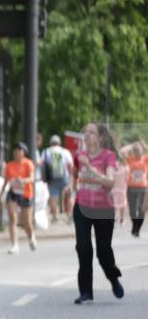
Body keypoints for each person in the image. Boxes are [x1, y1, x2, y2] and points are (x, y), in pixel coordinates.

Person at [72, 122, 124, 304]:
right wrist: (70, 187)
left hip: (103, 210)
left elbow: (110, 182)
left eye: (92, 132)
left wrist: (90, 168)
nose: (87, 134)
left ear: (100, 138)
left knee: (103, 252)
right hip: (82, 207)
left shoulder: (108, 156)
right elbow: (74, 174)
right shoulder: (79, 156)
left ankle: (113, 278)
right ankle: (86, 292)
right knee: (83, 248)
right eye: (85, 131)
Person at [0, 142, 37, 254]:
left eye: (19, 150)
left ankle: (31, 237)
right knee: (13, 218)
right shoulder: (9, 165)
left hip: (26, 194)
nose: (17, 152)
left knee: (26, 222)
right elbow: (6, 182)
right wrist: (0, 195)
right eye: (15, 150)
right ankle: (15, 245)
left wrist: (23, 180)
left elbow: (32, 178)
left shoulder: (28, 163)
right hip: (13, 193)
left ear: (24, 152)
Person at [43, 134, 74, 223]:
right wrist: (71, 178)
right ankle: (69, 216)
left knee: (53, 197)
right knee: (69, 195)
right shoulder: (65, 151)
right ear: (59, 143)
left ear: (50, 143)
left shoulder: (46, 151)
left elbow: (42, 164)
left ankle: (54, 217)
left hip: (52, 178)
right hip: (64, 177)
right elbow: (70, 165)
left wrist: (43, 178)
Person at [120, 140, 147, 237]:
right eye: (135, 150)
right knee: (132, 210)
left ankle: (137, 229)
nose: (137, 151)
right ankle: (135, 226)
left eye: (138, 149)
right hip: (131, 187)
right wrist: (132, 145)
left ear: (142, 150)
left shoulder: (146, 159)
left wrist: (144, 146)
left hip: (143, 187)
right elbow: (122, 151)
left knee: (141, 209)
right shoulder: (130, 159)